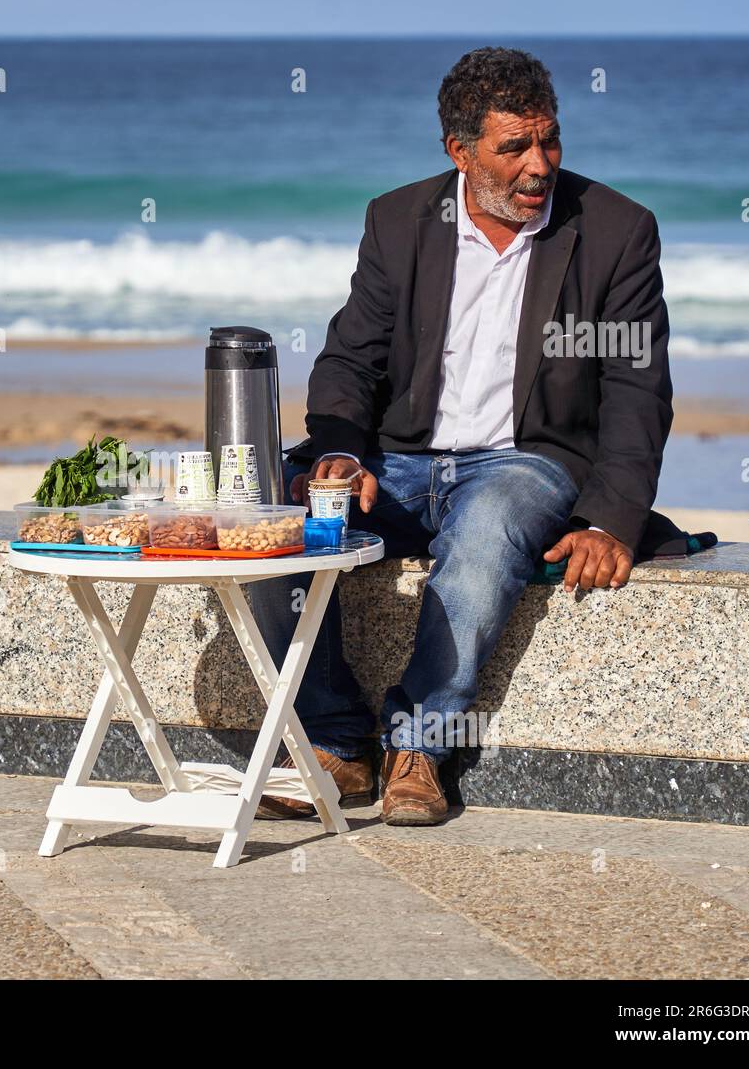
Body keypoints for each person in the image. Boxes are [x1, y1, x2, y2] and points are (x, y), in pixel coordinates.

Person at [250, 47, 673, 825]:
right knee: (276, 507)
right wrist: (340, 451)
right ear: (460, 151)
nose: (538, 165)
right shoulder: (399, 219)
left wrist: (611, 517)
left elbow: (637, 391)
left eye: (549, 140)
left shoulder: (616, 232)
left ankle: (421, 746)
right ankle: (336, 742)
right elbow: (351, 356)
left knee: (487, 524)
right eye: (514, 147)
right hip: (402, 460)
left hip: (528, 462)